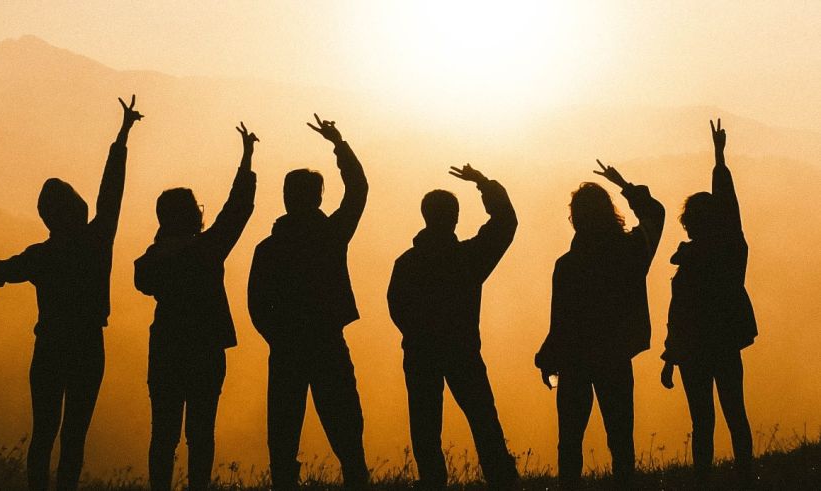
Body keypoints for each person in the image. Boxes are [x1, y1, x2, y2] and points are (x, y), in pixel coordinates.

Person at [0, 96, 142, 491]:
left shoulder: (42, 256)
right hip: (88, 345)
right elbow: (111, 193)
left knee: (43, 432)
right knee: (74, 435)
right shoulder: (97, 240)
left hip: (49, 346)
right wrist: (122, 137)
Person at [248, 114, 369, 490]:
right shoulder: (330, 235)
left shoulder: (270, 248)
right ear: (317, 198)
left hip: (286, 348)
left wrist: (278, 336)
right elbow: (358, 189)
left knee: (283, 433)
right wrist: (339, 144)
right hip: (326, 343)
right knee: (346, 428)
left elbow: (257, 305)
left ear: (287, 197)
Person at [134, 122, 258, 491]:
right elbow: (238, 209)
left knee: (163, 434)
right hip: (206, 350)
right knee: (201, 433)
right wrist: (247, 159)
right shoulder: (208, 249)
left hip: (166, 350)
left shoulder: (153, 258)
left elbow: (142, 281)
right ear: (193, 215)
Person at [387, 164, 519, 490]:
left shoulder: (407, 263)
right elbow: (506, 222)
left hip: (420, 353)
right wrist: (483, 183)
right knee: (483, 419)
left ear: (425, 217)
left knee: (425, 425)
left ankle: (433, 482)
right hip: (463, 352)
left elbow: (397, 307)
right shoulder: (468, 259)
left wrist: (418, 334)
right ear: (455, 218)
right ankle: (502, 480)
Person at [534, 160, 665, 489]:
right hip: (615, 355)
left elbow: (560, 321)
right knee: (620, 437)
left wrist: (547, 358)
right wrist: (625, 185)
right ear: (609, 212)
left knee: (570, 440)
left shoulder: (567, 265)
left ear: (575, 219)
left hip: (574, 361)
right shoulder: (631, 251)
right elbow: (656, 214)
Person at [660, 119, 756, 486]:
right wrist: (719, 159)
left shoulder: (697, 259)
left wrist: (671, 356)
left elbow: (678, 316)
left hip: (693, 351)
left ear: (690, 223)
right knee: (735, 414)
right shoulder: (731, 251)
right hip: (724, 344)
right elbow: (730, 209)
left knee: (702, 421)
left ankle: (703, 481)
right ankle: (745, 477)